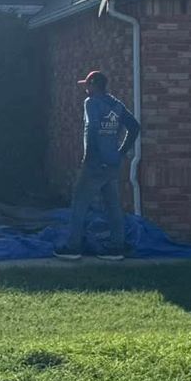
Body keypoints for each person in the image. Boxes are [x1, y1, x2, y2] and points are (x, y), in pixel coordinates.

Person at [56, 69, 140, 261]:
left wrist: (91, 159)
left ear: (94, 85)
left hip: (95, 164)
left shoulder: (91, 103)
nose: (85, 89)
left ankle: (73, 247)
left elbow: (92, 130)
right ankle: (116, 247)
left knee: (79, 203)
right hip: (112, 164)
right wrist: (121, 152)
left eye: (87, 85)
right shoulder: (116, 105)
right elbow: (134, 127)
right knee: (112, 205)